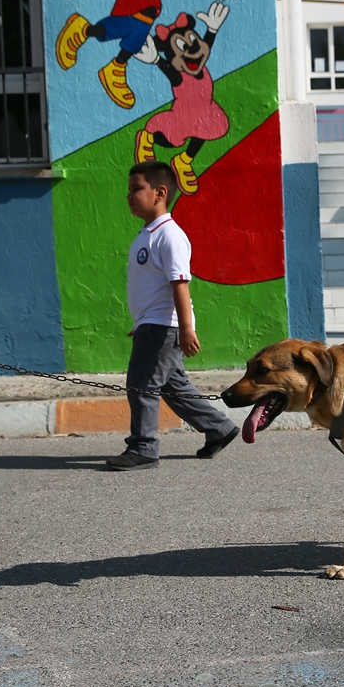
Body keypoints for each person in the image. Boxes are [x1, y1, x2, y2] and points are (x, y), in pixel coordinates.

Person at [105, 160, 239, 471]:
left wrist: (186, 328)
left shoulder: (169, 236)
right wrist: (140, 322)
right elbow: (151, 287)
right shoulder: (147, 234)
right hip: (152, 326)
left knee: (141, 385)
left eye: (137, 189)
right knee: (172, 386)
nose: (130, 195)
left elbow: (180, 284)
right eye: (130, 190)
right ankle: (219, 429)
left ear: (160, 192)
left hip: (163, 328)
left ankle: (144, 447)